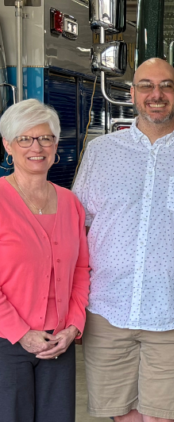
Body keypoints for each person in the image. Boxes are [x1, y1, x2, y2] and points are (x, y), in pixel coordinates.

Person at [72, 58, 174, 422]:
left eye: (165, 86)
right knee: (121, 415)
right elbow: (80, 227)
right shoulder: (101, 153)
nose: (155, 95)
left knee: (164, 417)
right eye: (146, 86)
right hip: (108, 309)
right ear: (132, 94)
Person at [0, 99, 90, 422]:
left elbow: (81, 271)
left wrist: (73, 327)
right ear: (8, 145)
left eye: (46, 138)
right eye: (25, 138)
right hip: (7, 344)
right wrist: (22, 333)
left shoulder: (70, 203)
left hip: (58, 343)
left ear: (55, 146)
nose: (36, 147)